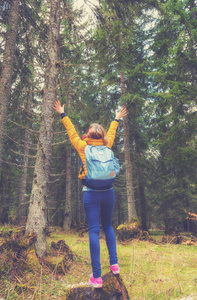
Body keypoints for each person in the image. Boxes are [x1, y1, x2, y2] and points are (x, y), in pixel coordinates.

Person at [53, 100, 127, 288]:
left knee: (94, 230)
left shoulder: (82, 146)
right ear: (101, 134)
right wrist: (116, 118)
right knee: (108, 226)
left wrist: (63, 113)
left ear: (88, 134)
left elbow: (71, 131)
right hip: (108, 192)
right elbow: (112, 133)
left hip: (91, 193)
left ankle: (96, 277)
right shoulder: (107, 144)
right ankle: (115, 265)